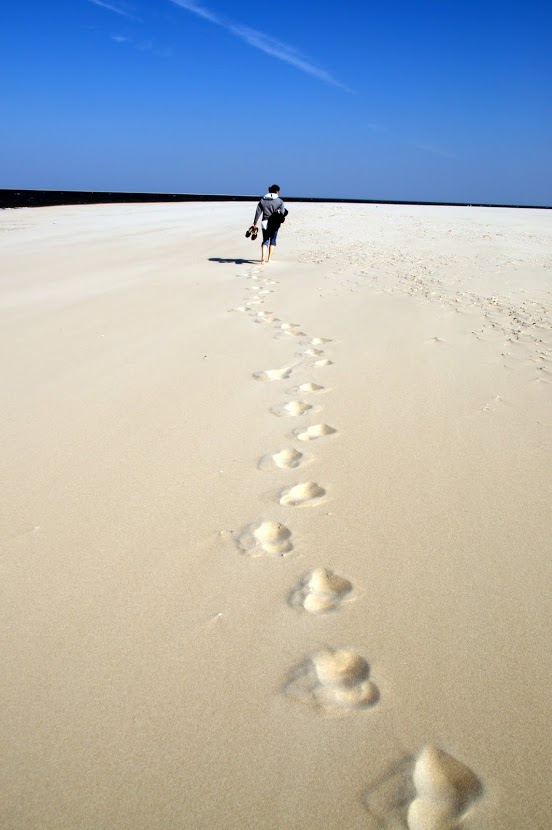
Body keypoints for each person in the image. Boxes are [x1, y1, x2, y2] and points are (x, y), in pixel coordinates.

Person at [252, 184, 288, 264]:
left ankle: (262, 257)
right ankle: (270, 258)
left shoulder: (262, 200)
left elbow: (258, 212)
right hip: (275, 223)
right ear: (277, 191)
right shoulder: (280, 201)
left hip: (264, 222)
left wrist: (255, 223)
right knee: (273, 240)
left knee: (265, 240)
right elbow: (282, 213)